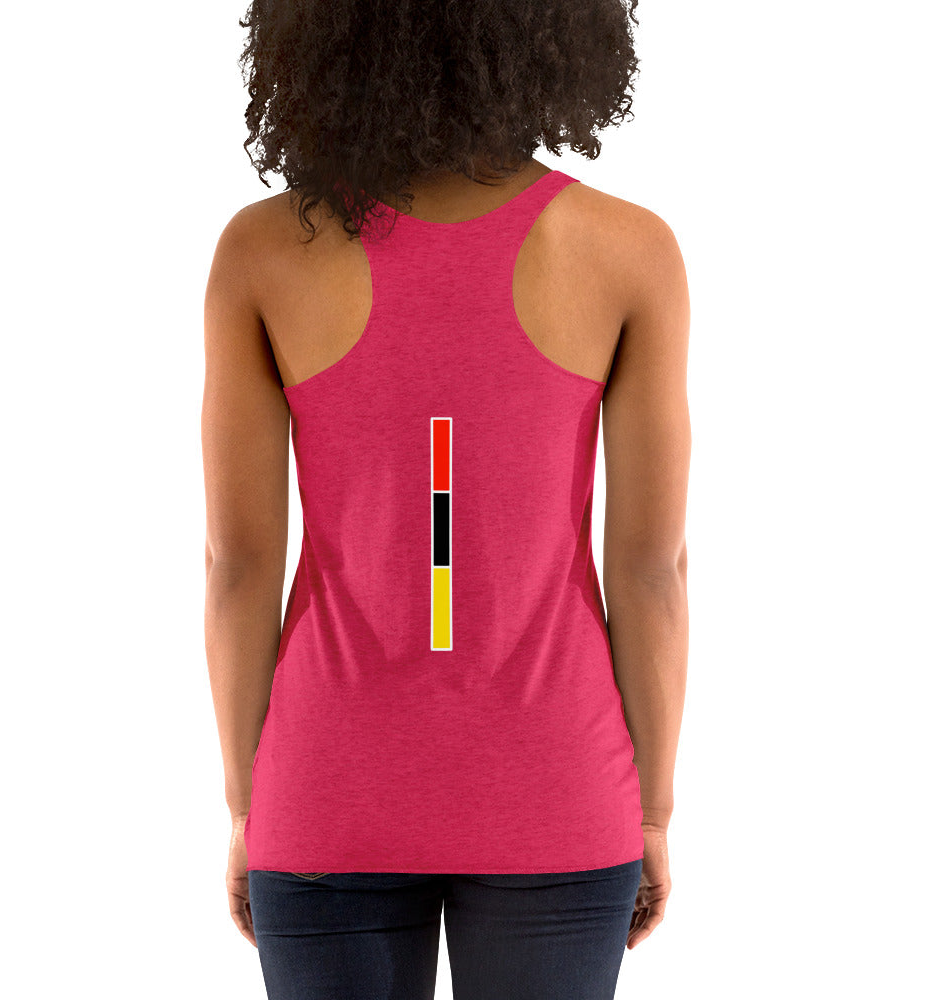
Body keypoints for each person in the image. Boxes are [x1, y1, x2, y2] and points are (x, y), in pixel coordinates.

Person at [202, 1, 689, 997]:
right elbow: (650, 571)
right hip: (556, 794)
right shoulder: (626, 250)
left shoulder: (265, 251)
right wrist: (652, 814)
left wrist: (251, 806)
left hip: (327, 796)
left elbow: (238, 569)